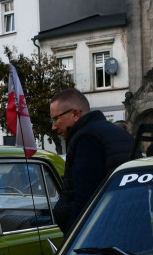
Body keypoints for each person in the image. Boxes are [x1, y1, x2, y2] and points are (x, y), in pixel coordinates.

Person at [49, 88, 133, 234]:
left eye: (56, 119)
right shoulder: (121, 134)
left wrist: (74, 237)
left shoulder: (86, 139)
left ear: (75, 114)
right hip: (128, 227)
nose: (54, 126)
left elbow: (85, 198)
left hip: (99, 235)